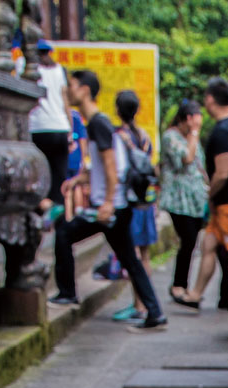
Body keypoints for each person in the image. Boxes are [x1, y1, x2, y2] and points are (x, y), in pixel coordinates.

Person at [50, 69, 167, 332]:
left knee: (64, 231)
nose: (68, 91)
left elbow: (112, 167)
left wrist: (108, 204)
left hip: (112, 208)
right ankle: (155, 313)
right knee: (130, 260)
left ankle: (67, 291)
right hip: (115, 207)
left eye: (72, 85)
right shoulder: (98, 124)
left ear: (85, 91)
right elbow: (102, 167)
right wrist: (80, 180)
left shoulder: (99, 124)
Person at [175, 77, 228, 311]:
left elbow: (222, 172)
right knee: (208, 246)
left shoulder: (222, 131)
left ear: (210, 100)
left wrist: (210, 193)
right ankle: (196, 294)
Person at [111, 90, 158, 322]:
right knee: (144, 254)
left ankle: (139, 304)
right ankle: (143, 302)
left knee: (133, 255)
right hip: (145, 201)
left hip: (128, 200)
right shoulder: (143, 135)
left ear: (117, 110)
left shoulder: (119, 136)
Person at [160, 99, 208, 306]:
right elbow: (186, 159)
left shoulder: (190, 138)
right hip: (178, 200)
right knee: (187, 240)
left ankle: (183, 285)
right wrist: (195, 133)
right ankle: (178, 285)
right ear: (188, 119)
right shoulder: (171, 137)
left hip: (196, 201)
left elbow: (199, 164)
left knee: (191, 242)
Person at [28, 39, 72, 220]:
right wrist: (70, 129)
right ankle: (59, 215)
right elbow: (65, 101)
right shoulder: (59, 70)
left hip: (38, 127)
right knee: (59, 176)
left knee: (37, 173)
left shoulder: (28, 67)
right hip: (60, 126)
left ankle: (41, 209)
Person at [65, 109, 88, 216]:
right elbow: (82, 139)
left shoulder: (62, 114)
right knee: (76, 186)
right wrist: (83, 158)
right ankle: (77, 213)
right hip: (75, 158)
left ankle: (68, 216)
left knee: (67, 187)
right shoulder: (76, 116)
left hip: (66, 158)